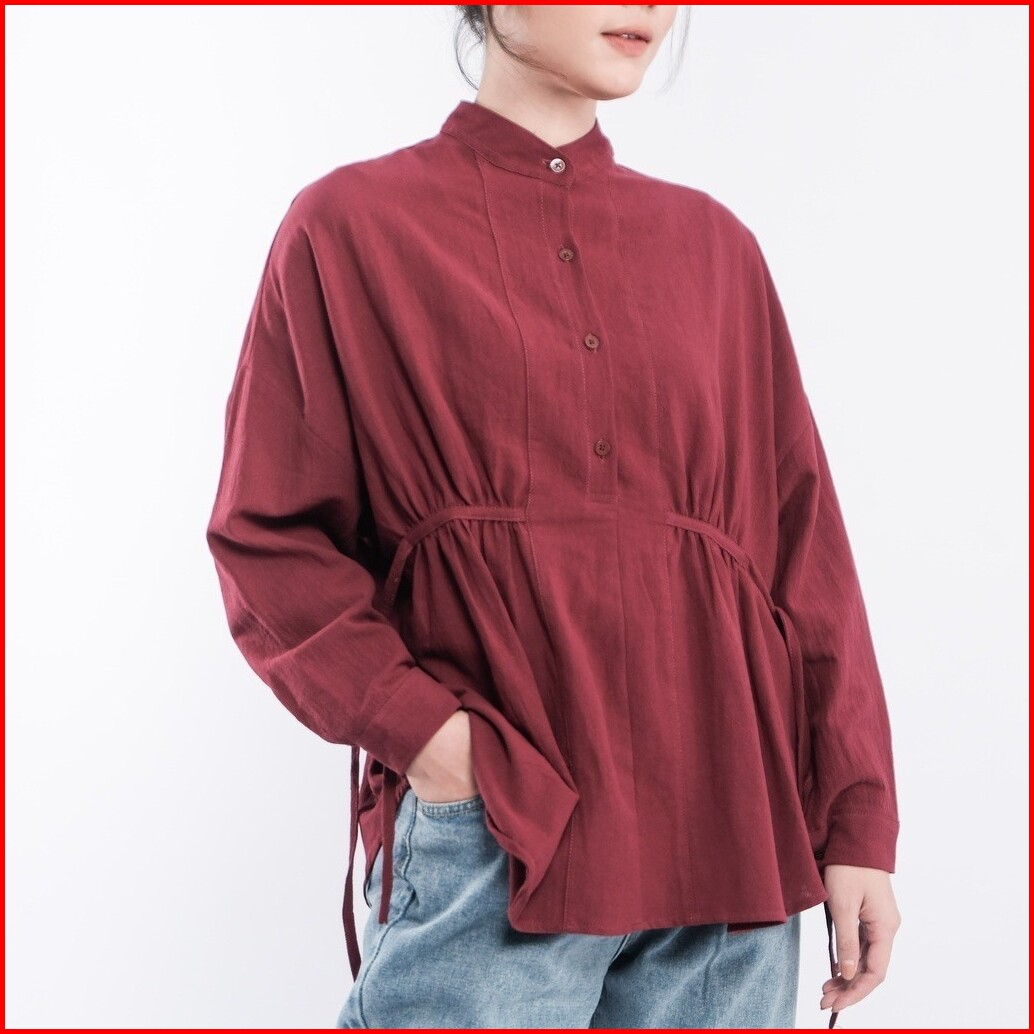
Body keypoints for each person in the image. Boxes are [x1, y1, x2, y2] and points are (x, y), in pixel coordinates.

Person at [205, 5, 902, 1029]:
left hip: (729, 851)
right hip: (500, 843)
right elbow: (268, 541)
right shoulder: (351, 226)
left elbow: (804, 561)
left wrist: (856, 823)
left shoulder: (715, 249)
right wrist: (432, 741)